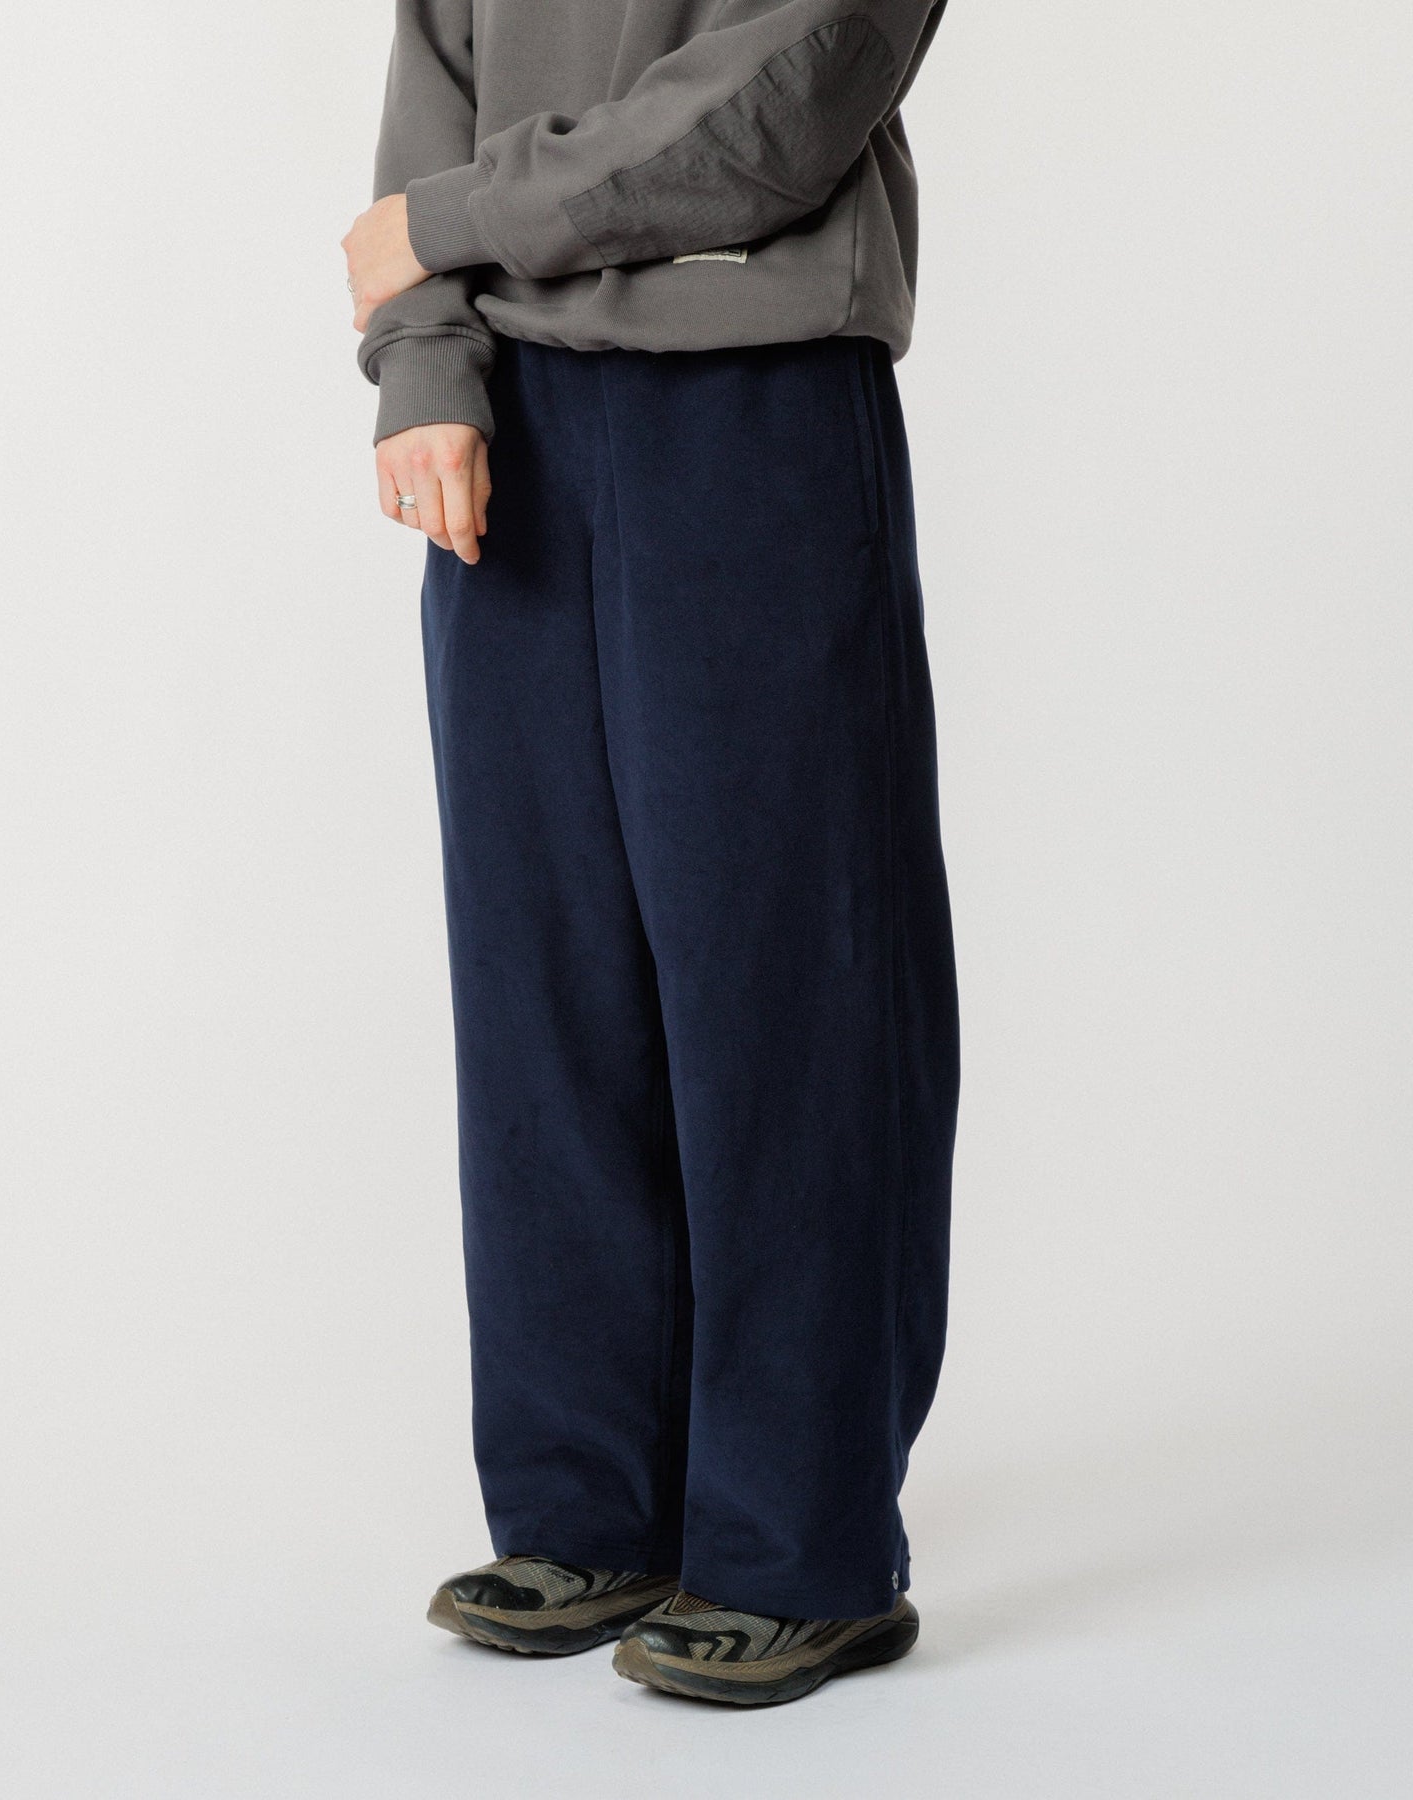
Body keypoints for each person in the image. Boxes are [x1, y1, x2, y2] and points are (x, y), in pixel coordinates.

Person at [342, 0, 959, 1707]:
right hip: (511, 414)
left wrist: (450, 228)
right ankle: (588, 1507)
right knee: (546, 978)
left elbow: (785, 101)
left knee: (790, 980)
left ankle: (800, 1545)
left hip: (753, 394)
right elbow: (435, 77)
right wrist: (423, 359)